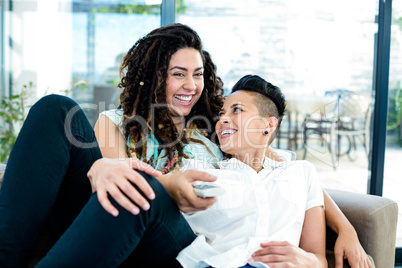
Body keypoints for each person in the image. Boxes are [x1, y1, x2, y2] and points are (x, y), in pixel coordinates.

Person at [0, 23, 371, 267]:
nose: (192, 85)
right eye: (179, 74)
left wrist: (346, 228)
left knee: (144, 190)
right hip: (106, 221)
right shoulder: (113, 123)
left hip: (167, 238)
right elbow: (114, 187)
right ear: (154, 77)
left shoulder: (214, 131)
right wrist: (105, 167)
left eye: (198, 74)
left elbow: (286, 172)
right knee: (56, 108)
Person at [176, 75, 327, 268]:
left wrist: (310, 261)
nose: (222, 120)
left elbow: (319, 258)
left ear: (269, 125)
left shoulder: (301, 172)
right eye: (221, 114)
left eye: (236, 110)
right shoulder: (200, 172)